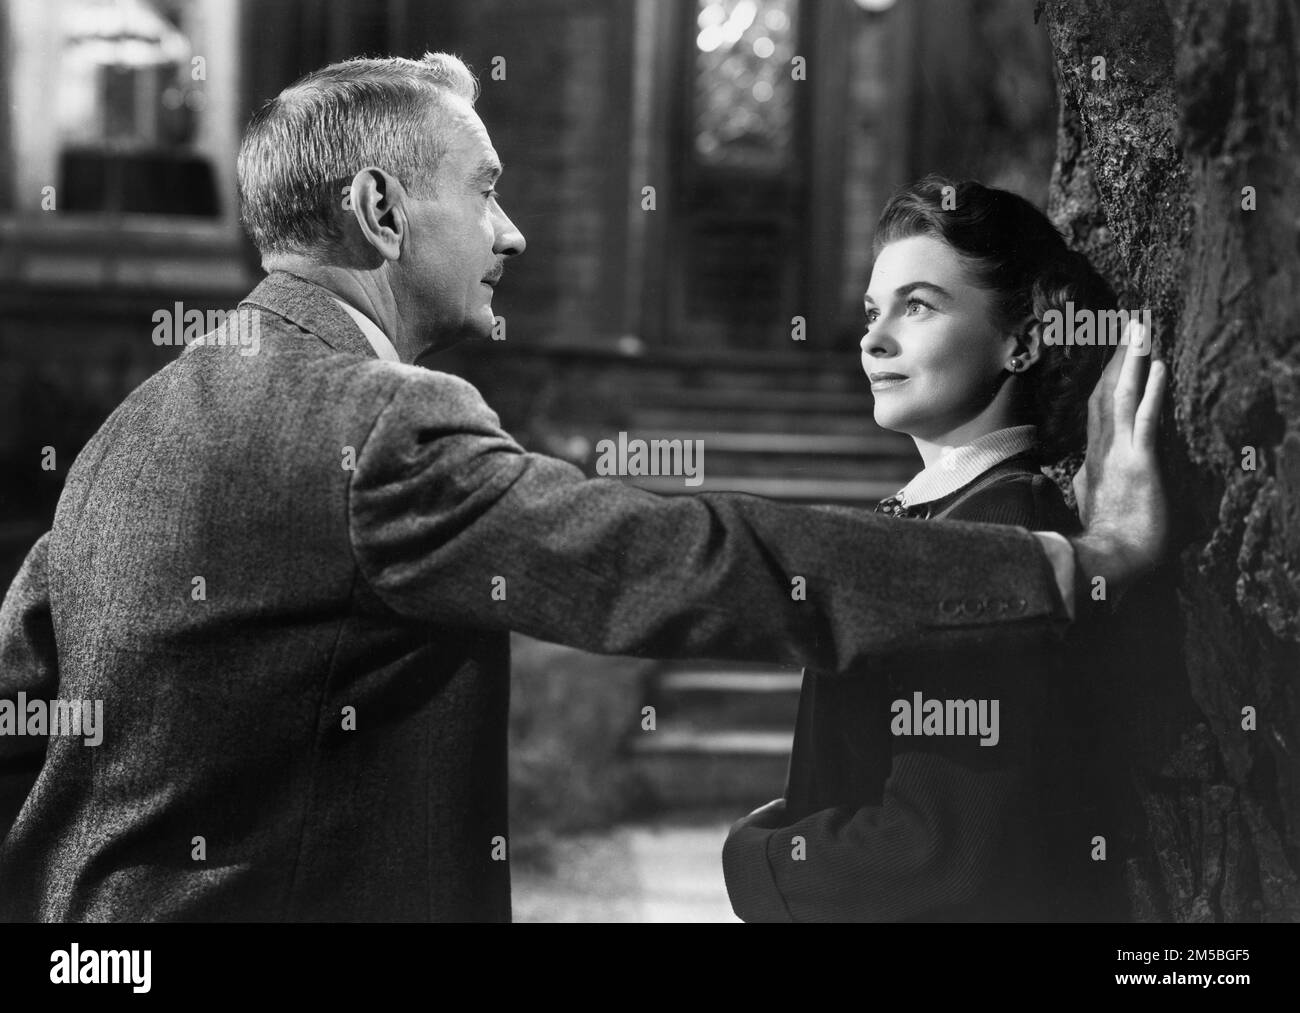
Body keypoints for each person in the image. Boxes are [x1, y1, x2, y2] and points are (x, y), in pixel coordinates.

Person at [0, 56, 1168, 923]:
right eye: (487, 191)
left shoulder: (129, 426)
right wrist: (1077, 562)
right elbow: (676, 558)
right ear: (380, 210)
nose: (511, 233)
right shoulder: (382, 424)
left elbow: (23, 689)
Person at [722, 177, 1149, 922]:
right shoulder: (944, 513)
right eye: (871, 311)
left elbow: (941, 858)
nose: (873, 337)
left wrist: (756, 858)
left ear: (1021, 340)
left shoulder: (995, 536)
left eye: (917, 305)